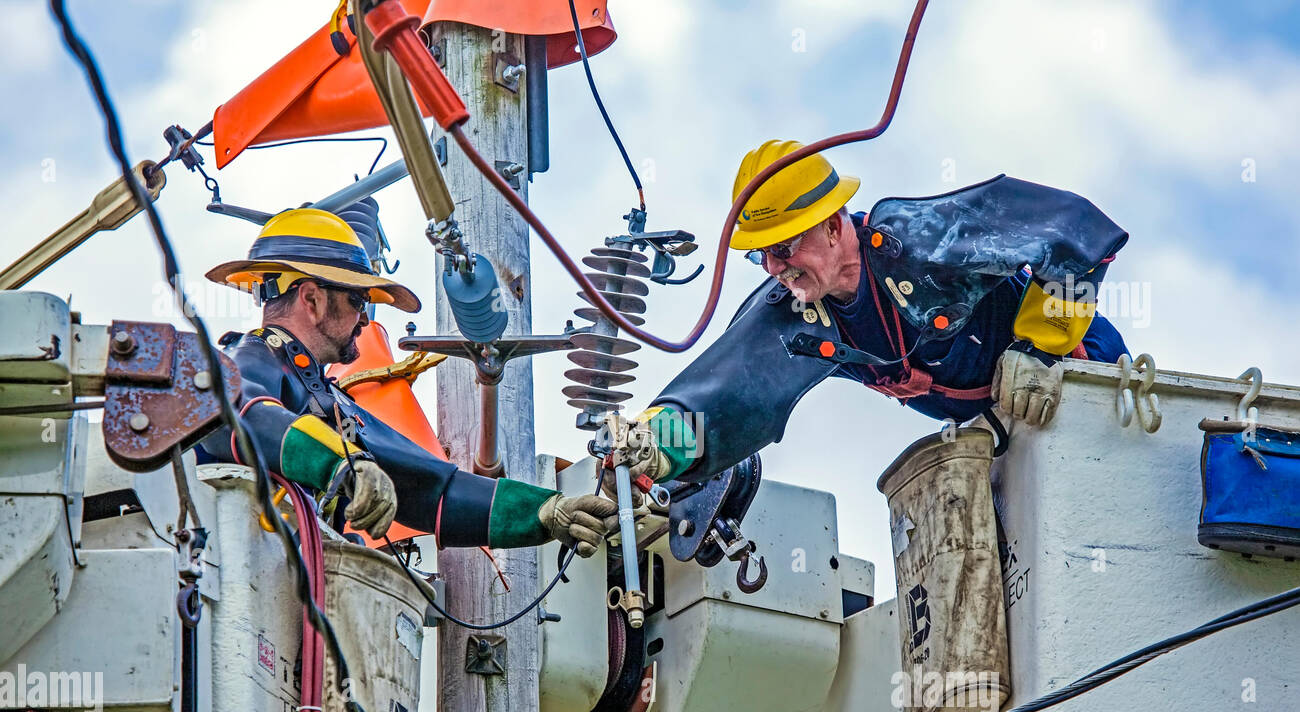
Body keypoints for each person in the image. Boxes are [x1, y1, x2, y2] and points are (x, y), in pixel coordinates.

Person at [613, 140, 1133, 488]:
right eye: (761, 254)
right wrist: (652, 446)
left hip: (1086, 382)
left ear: (835, 227)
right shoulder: (798, 315)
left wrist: (1043, 346)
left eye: (785, 247)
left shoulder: (924, 240)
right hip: (1001, 441)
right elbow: (722, 396)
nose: (775, 268)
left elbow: (1078, 231)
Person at [200, 207, 615, 556]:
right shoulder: (245, 362)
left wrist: (544, 511)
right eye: (358, 301)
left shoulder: (327, 401)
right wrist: (342, 465)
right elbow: (239, 416)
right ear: (311, 299)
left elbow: (431, 487)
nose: (365, 318)